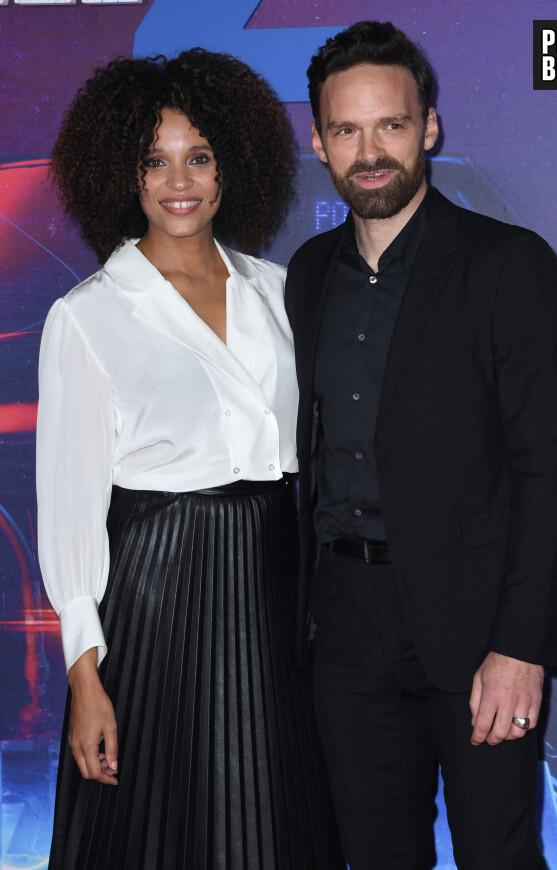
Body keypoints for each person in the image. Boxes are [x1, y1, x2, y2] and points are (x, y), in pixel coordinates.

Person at [284, 19, 557, 870]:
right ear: (319, 139)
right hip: (343, 626)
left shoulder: (509, 265)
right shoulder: (305, 276)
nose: (370, 151)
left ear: (430, 127)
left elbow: (551, 468)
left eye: (392, 125)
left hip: (478, 625)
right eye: (347, 129)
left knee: (497, 853)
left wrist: (523, 646)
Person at [37, 49, 343, 870]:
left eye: (199, 156)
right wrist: (86, 680)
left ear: (231, 165)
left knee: (278, 825)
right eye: (155, 159)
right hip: (155, 600)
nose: (181, 180)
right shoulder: (87, 316)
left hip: (276, 598)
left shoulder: (279, 291)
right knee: (154, 834)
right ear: (124, 175)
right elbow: (68, 517)